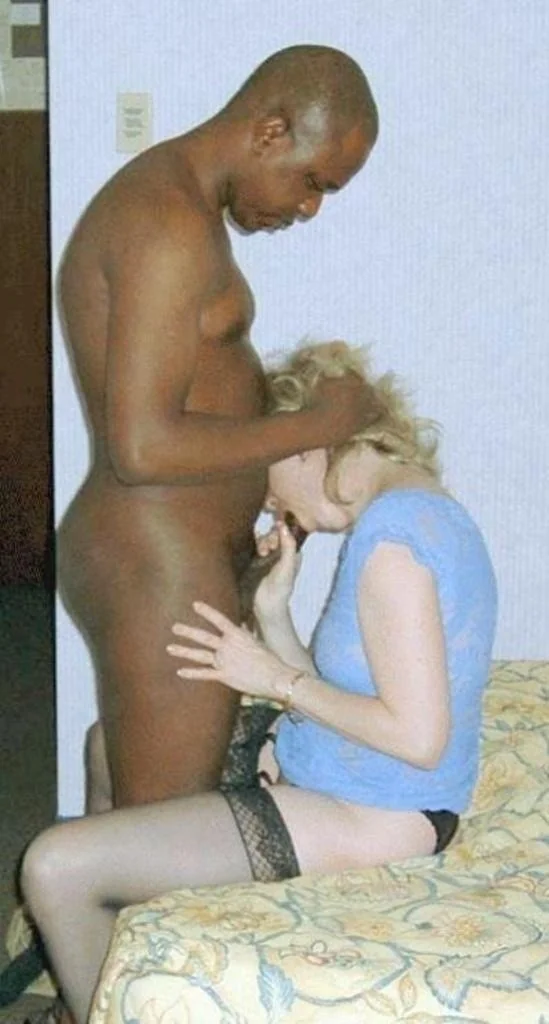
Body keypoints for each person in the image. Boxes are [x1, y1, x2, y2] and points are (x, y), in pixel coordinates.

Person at [20, 341, 498, 1024]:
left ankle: (104, 995)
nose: (272, 508)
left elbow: (419, 739)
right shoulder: (416, 510)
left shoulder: (392, 545)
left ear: (305, 447)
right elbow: (369, 694)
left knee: (54, 868)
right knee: (109, 745)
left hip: (378, 813)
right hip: (347, 772)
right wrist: (274, 619)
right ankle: (104, 978)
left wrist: (272, 677)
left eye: (267, 486)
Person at [56, 44, 380, 808]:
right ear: (269, 132)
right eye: (312, 182)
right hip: (155, 559)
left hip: (173, 554)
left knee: (149, 817)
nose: (309, 209)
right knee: (167, 834)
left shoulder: (181, 210)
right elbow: (142, 446)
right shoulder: (166, 223)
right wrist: (317, 423)